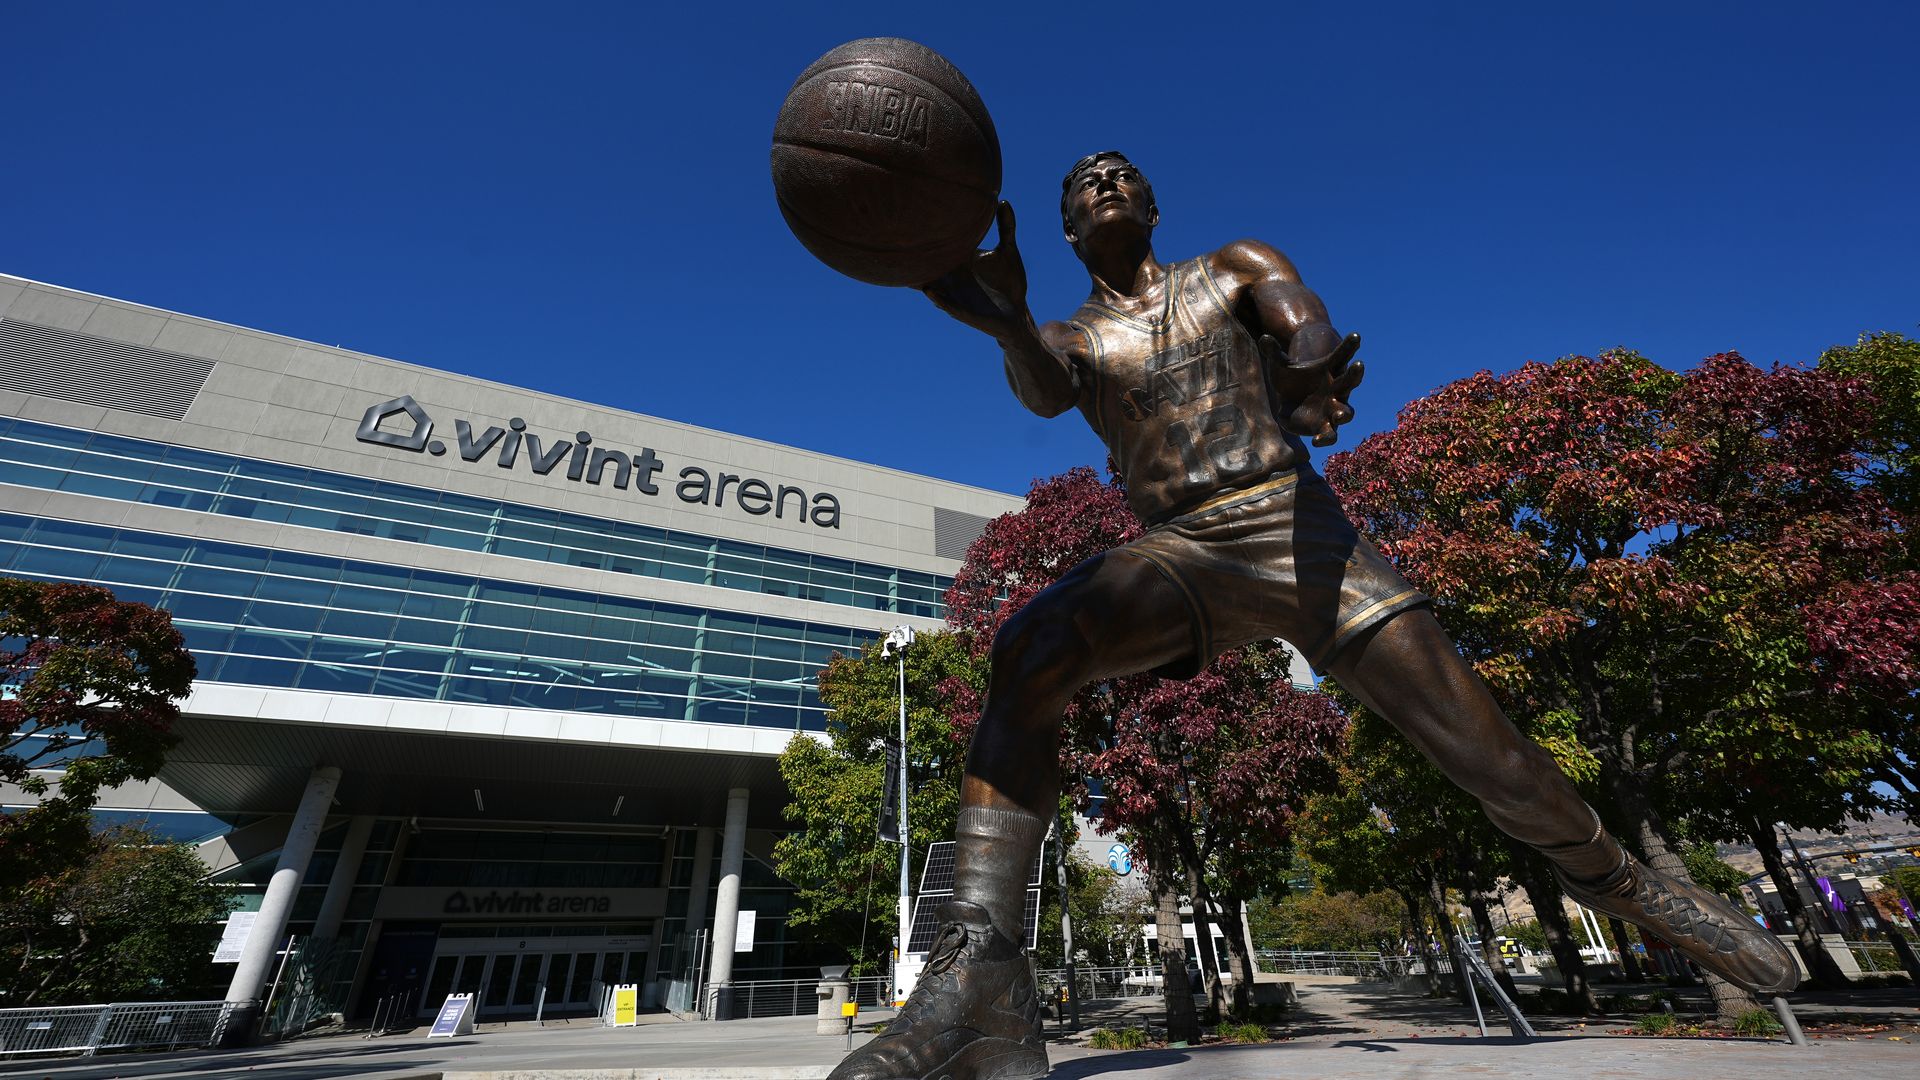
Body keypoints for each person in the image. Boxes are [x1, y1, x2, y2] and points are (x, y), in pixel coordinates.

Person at [826, 152, 1797, 1080]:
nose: (1106, 185)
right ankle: (981, 986)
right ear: (1069, 231)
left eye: (1123, 177)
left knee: (1495, 762)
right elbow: (1044, 391)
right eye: (1084, 187)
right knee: (1032, 643)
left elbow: (1307, 323)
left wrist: (1306, 364)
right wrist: (1006, 323)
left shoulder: (1234, 266)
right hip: (1186, 553)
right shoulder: (1077, 336)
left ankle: (1622, 882)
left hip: (1303, 533)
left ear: (1154, 209)